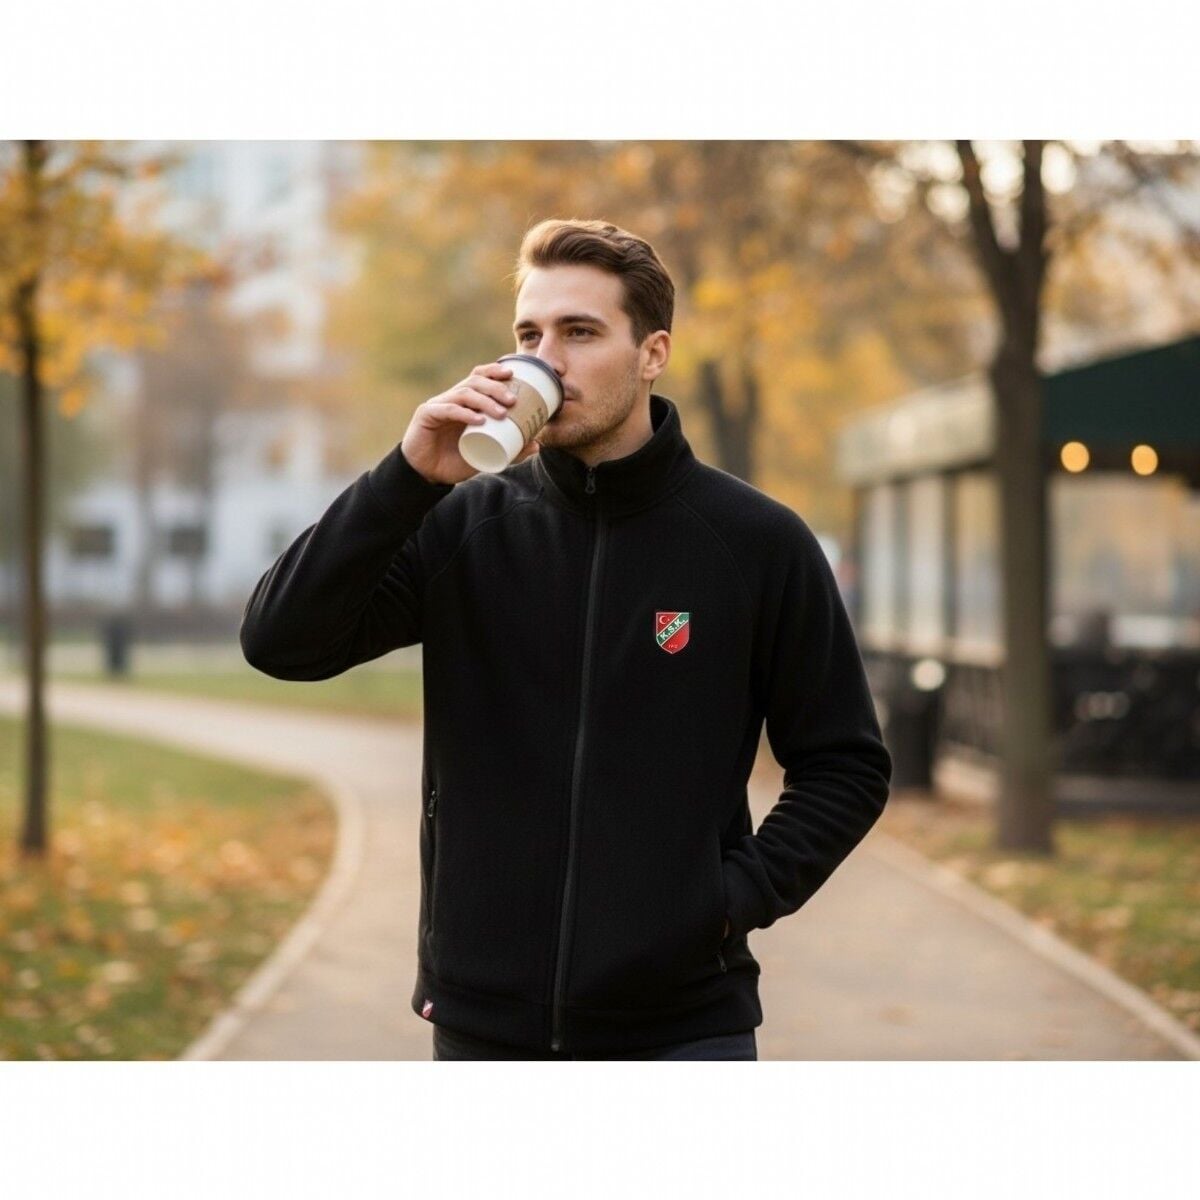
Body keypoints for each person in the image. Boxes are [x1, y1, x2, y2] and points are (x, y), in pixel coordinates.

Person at [240, 218, 892, 1060]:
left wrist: (726, 900)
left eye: (579, 333)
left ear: (652, 354)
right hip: (482, 1023)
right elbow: (281, 641)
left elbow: (846, 764)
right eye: (529, 335)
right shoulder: (463, 527)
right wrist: (406, 477)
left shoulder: (755, 543)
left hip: (683, 1029)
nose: (546, 360)